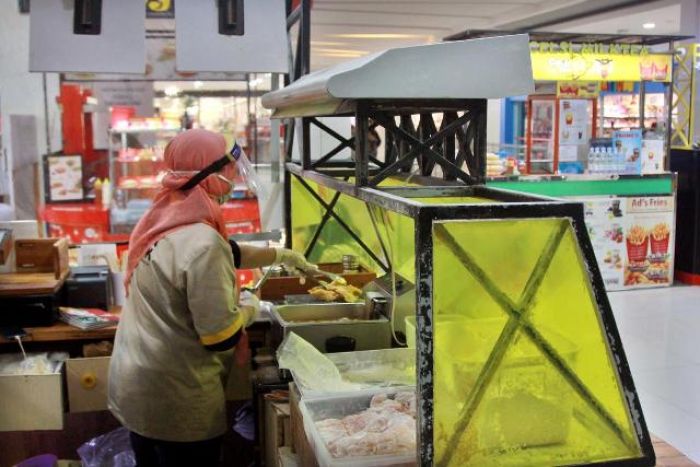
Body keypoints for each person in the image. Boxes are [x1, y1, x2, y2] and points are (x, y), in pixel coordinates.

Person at [108, 129, 313, 467]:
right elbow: (221, 335)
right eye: (232, 168)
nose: (235, 177)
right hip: (177, 399)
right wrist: (251, 305)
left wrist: (281, 255)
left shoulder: (166, 215)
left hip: (138, 386)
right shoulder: (202, 241)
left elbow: (225, 251)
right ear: (211, 173)